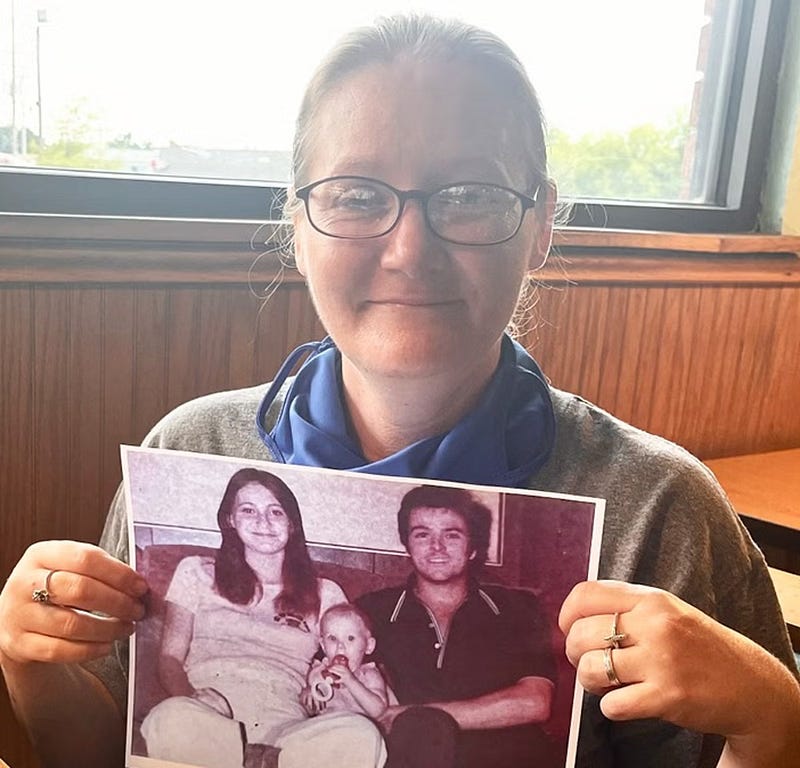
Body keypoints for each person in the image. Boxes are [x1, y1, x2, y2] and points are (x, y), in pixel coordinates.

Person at [0, 12, 798, 768]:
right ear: (298, 224)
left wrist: (774, 719)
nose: (410, 250)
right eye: (355, 195)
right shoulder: (190, 449)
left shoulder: (659, 508)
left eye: (471, 196)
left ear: (542, 224)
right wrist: (27, 661)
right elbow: (110, 751)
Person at [137, 467, 385, 768]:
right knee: (169, 719)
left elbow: (349, 659)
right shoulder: (196, 572)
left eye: (275, 512)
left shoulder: (325, 592)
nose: (263, 522)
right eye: (248, 510)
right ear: (230, 519)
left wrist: (322, 684)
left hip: (288, 728)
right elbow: (170, 658)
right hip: (208, 716)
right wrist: (190, 696)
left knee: (361, 735)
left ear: (291, 523)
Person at [357, 484, 557, 768]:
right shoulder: (372, 610)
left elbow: (536, 703)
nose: (436, 547)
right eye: (423, 534)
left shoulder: (518, 608)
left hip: (507, 757)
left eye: (451, 534)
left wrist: (412, 714)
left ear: (473, 547)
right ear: (407, 544)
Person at [301, 603, 389, 719]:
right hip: (329, 728)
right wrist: (309, 695)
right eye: (332, 639)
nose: (340, 646)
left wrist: (350, 681)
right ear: (323, 645)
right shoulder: (318, 671)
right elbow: (311, 710)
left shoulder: (369, 675)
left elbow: (378, 711)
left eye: (350, 638)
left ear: (369, 646)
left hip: (360, 728)